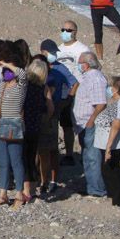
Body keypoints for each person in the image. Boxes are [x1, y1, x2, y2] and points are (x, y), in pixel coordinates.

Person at [0, 57, 28, 209]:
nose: (6, 72)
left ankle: (19, 193)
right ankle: (3, 193)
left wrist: (7, 63)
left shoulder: (20, 86)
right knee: (3, 163)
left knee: (16, 161)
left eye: (9, 70)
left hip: (13, 127)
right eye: (4, 71)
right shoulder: (2, 85)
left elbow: (23, 74)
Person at [38, 40, 74, 195]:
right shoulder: (38, 69)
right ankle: (42, 180)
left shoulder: (59, 69)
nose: (53, 55)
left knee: (51, 149)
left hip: (53, 111)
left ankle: (51, 180)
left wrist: (68, 99)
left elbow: (74, 83)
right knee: (41, 150)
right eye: (50, 52)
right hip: (40, 113)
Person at [94, 77, 120, 208]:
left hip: (115, 144)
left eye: (111, 87)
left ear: (116, 90)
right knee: (108, 169)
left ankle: (116, 200)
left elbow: (116, 126)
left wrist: (108, 148)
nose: (109, 89)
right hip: (115, 143)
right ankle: (113, 196)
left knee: (112, 170)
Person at [73, 51, 107, 198]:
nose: (78, 65)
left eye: (80, 62)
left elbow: (100, 104)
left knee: (93, 157)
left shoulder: (95, 79)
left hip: (89, 124)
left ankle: (97, 190)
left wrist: (90, 122)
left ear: (86, 64)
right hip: (83, 124)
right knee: (87, 156)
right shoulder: (87, 77)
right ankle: (91, 186)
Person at [56, 20, 89, 166]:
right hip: (62, 94)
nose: (65, 32)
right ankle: (69, 154)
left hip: (79, 93)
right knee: (66, 125)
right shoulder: (58, 49)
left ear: (75, 32)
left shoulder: (82, 49)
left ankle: (86, 153)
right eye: (63, 29)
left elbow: (88, 71)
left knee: (81, 125)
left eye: (69, 30)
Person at [22, 58, 53, 201]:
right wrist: (44, 119)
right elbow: (50, 108)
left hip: (23, 126)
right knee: (33, 158)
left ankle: (25, 190)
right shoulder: (43, 88)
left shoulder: (24, 86)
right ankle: (33, 190)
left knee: (24, 159)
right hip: (36, 126)